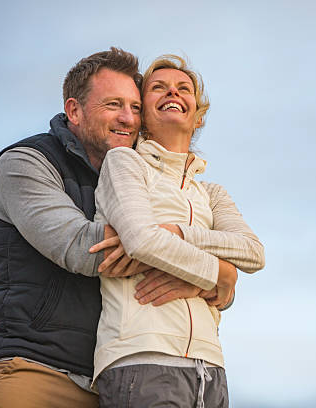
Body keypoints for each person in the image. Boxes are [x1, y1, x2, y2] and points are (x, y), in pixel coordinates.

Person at [0, 48, 260, 408]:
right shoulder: (26, 163)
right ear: (74, 110)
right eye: (113, 104)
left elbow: (241, 252)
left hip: (113, 378)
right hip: (38, 370)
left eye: (135, 107)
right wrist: (214, 272)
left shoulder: (153, 178)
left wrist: (214, 274)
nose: (127, 117)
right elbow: (83, 248)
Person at [91, 54, 264, 407]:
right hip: (142, 356)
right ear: (142, 115)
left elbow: (252, 252)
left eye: (184, 89)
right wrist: (217, 275)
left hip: (210, 366)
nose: (173, 92)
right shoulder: (124, 163)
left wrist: (183, 234)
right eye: (158, 88)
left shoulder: (212, 193)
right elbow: (142, 241)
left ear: (197, 116)